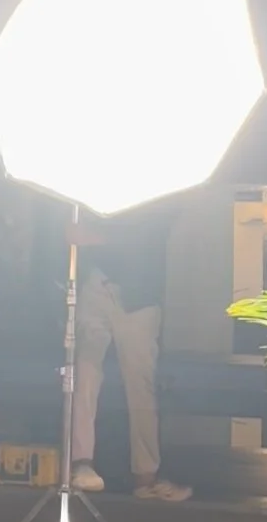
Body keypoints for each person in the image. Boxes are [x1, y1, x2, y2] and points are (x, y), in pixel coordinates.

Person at [69, 201, 191, 502]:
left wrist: (97, 235)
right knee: (85, 370)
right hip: (97, 281)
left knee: (141, 382)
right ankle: (80, 463)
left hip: (138, 293)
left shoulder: (165, 189)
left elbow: (152, 228)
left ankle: (145, 477)